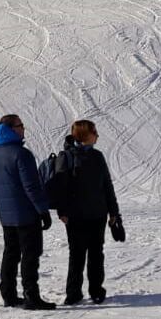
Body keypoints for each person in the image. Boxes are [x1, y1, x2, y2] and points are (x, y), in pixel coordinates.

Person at [39, 120, 125, 305]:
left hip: (98, 214)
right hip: (75, 215)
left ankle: (96, 290)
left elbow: (107, 186)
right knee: (76, 255)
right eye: (95, 132)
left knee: (96, 253)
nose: (97, 135)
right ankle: (73, 292)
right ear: (85, 135)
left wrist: (114, 213)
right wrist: (62, 211)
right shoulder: (66, 156)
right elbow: (60, 186)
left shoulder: (98, 156)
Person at [0, 113, 56, 309]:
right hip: (26, 214)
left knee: (10, 253)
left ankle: (8, 294)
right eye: (20, 125)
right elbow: (32, 186)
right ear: (11, 129)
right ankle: (32, 297)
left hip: (7, 216)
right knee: (30, 255)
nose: (24, 128)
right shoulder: (22, 154)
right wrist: (43, 211)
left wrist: (3, 205)